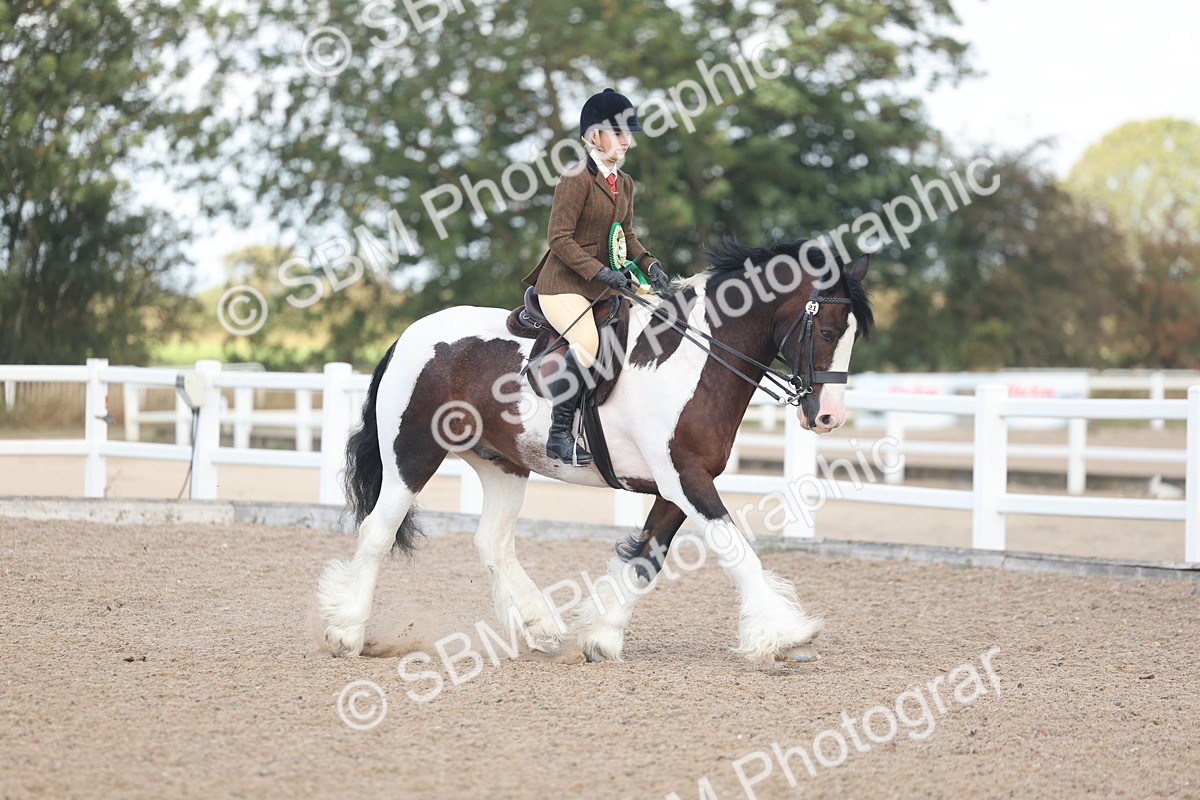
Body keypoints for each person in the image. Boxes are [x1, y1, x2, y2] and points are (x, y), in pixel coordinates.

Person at [522, 88, 670, 466]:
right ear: (594, 136)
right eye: (619, 133)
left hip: (604, 284)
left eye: (628, 134)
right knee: (586, 343)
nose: (627, 142)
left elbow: (627, 235)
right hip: (563, 283)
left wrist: (651, 267)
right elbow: (558, 237)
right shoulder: (575, 178)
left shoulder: (625, 182)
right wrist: (601, 271)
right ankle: (559, 437)